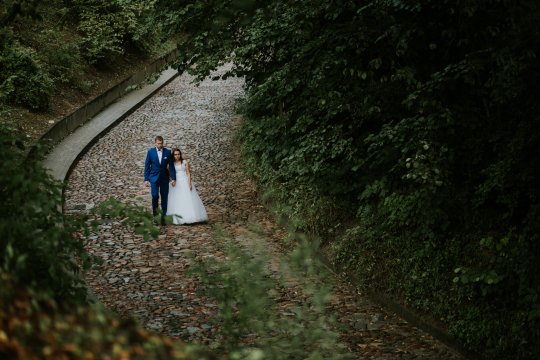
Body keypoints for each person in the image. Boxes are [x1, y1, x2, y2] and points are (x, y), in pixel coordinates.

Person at [166, 148, 208, 224]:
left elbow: (188, 173)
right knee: (177, 199)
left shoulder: (184, 162)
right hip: (176, 182)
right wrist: (171, 180)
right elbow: (169, 174)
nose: (177, 156)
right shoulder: (171, 164)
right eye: (175, 154)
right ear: (173, 155)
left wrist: (189, 183)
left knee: (187, 198)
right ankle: (178, 217)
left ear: (180, 155)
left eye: (178, 154)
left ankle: (191, 216)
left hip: (184, 181)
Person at [144, 136, 176, 225]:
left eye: (161, 143)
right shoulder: (150, 152)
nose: (160, 145)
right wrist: (146, 179)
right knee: (155, 196)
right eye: (158, 143)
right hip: (153, 178)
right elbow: (147, 166)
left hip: (164, 178)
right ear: (155, 143)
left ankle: (163, 217)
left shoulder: (167, 152)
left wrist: (173, 178)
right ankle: (155, 217)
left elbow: (171, 166)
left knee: (164, 197)